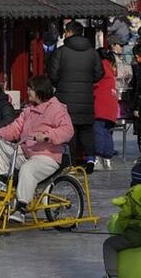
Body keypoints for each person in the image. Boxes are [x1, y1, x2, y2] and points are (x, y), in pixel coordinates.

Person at [0, 75, 73, 223]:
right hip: (26, 152)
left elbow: (68, 130)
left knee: (27, 169)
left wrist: (47, 135)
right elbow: (15, 129)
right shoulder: (28, 110)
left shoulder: (56, 108)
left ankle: (21, 208)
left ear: (40, 90)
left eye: (30, 89)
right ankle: (2, 180)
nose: (27, 92)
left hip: (47, 156)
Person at [46, 20, 103, 171]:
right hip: (86, 97)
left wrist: (62, 84)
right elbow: (99, 74)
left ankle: (70, 162)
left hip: (65, 98)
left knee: (68, 129)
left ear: (69, 32)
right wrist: (87, 81)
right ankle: (90, 159)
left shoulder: (61, 52)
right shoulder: (92, 52)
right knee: (86, 129)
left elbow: (52, 73)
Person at [103, 162, 141, 278]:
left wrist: (123, 230)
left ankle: (112, 275)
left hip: (138, 235)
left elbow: (124, 217)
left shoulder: (132, 196)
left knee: (109, 244)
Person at [94, 46, 120, 171]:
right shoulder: (110, 67)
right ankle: (107, 159)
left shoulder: (100, 67)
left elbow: (94, 83)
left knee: (98, 130)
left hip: (101, 103)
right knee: (107, 132)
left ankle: (97, 158)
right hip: (111, 104)